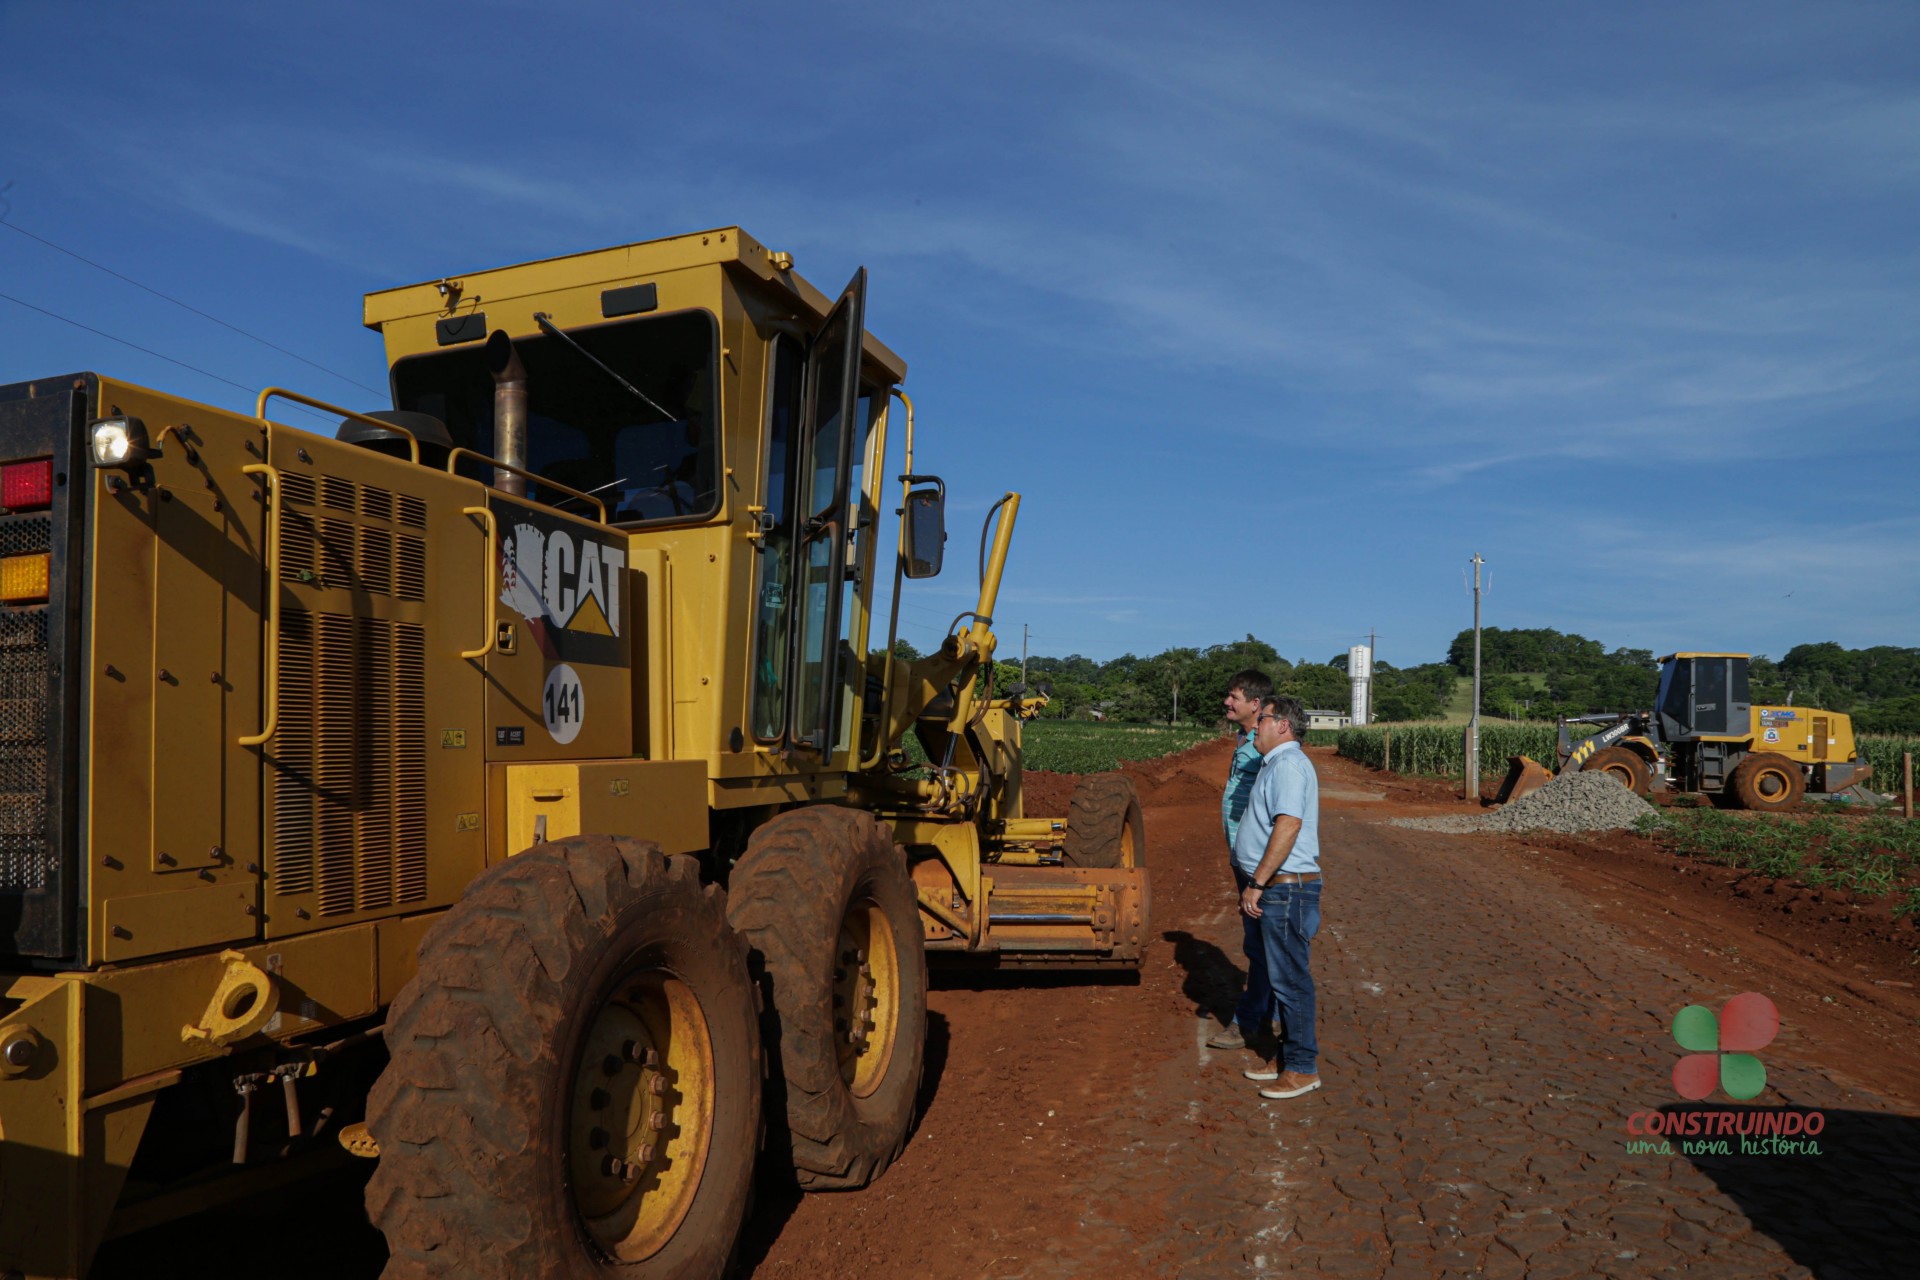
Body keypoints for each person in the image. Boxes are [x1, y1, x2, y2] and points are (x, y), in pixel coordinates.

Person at [1234, 694, 1323, 1099]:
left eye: (1263, 719)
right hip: (1281, 887)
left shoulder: (1287, 764)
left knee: (1290, 982)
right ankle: (1287, 1059)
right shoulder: (1279, 763)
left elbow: (1287, 825)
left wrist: (1258, 881)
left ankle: (1302, 1068)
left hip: (1286, 888)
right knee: (1281, 977)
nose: (1256, 725)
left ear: (1282, 724)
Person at [1209, 668, 1274, 1052]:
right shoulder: (1243, 736)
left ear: (1255, 704)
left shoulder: (1265, 744)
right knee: (1260, 941)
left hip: (1258, 860)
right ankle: (1274, 1012)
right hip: (1241, 855)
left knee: (1262, 942)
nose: (1227, 702)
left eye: (1234, 697)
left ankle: (1249, 1020)